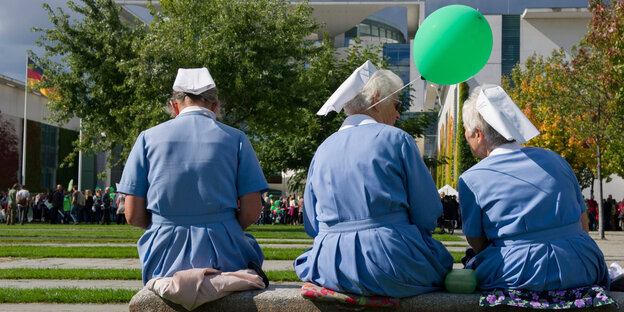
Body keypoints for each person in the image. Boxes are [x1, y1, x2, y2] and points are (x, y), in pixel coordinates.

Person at [294, 64, 453, 298]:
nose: (399, 113)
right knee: (442, 260)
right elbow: (427, 214)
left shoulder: (322, 149)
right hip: (388, 260)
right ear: (377, 98)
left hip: (330, 265)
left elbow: (311, 224)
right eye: (397, 104)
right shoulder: (398, 139)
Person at [118, 67, 267, 284]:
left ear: (174, 105)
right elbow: (253, 211)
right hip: (224, 251)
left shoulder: (147, 138)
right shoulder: (237, 139)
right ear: (215, 106)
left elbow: (132, 214)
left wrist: (164, 224)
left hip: (164, 255)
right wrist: (224, 226)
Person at [458, 85, 608, 292]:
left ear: (478, 134)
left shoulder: (472, 178)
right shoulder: (556, 159)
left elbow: (476, 241)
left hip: (519, 271)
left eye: (465, 131)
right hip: (582, 264)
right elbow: (583, 222)